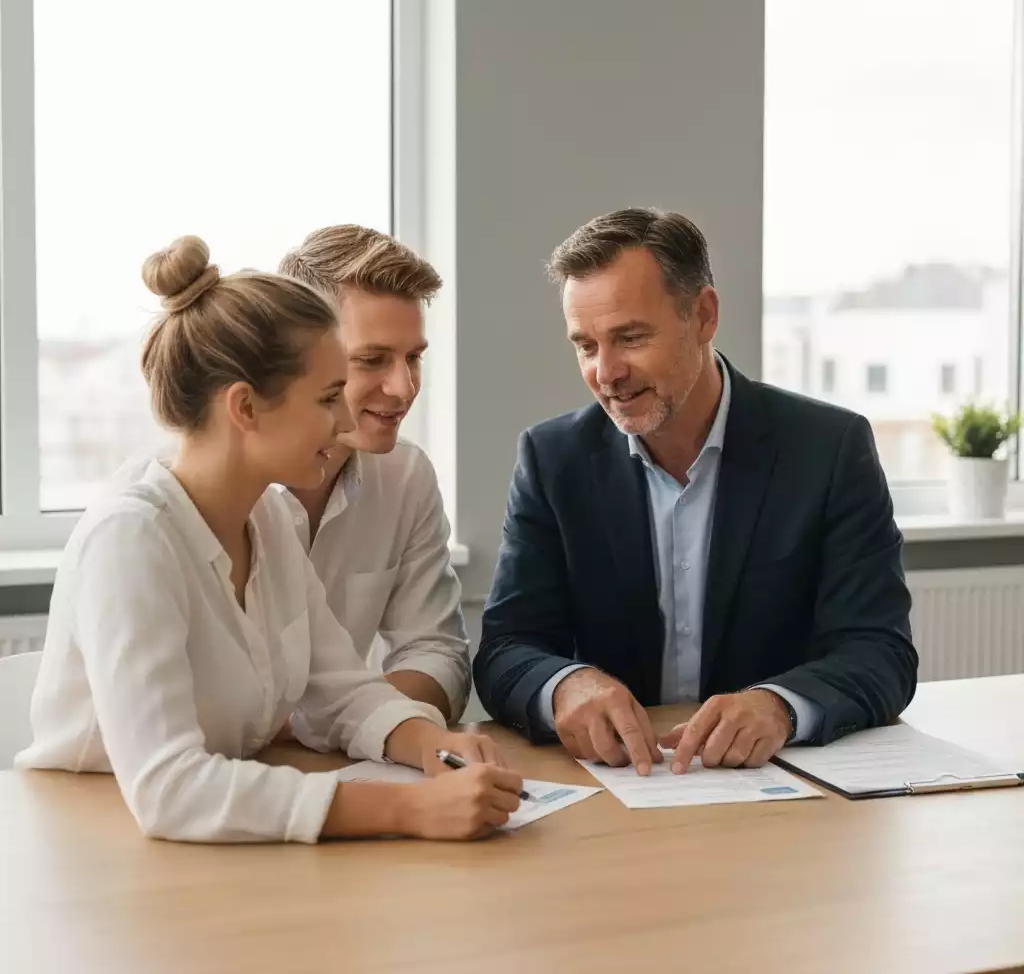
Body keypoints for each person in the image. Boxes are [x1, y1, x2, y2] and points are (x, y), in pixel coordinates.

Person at [17, 236, 521, 843]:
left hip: (222, 829)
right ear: (246, 408)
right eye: (329, 398)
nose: (343, 424)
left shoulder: (266, 521)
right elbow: (169, 788)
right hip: (92, 839)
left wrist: (429, 741)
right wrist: (407, 810)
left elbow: (341, 689)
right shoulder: (132, 539)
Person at [474, 208, 917, 775]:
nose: (606, 372)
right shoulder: (552, 458)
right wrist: (565, 686)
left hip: (780, 793)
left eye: (630, 337)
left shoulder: (828, 448)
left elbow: (879, 650)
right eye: (586, 346)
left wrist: (780, 706)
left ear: (703, 316)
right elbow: (506, 649)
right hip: (623, 790)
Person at [277, 225, 469, 721]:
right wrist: (359, 725)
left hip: (338, 770)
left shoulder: (405, 476)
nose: (404, 388)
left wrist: (368, 727)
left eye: (414, 358)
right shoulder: (222, 488)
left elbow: (438, 654)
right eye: (372, 360)